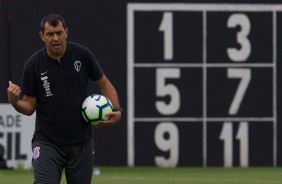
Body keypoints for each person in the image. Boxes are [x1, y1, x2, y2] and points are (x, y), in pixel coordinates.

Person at [7, 14, 122, 184]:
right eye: (50, 34)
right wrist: (15, 102)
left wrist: (117, 110)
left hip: (81, 143)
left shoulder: (82, 55)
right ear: (42, 36)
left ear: (66, 32)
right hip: (47, 143)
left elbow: (104, 84)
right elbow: (29, 106)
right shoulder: (33, 64)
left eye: (59, 33)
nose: (55, 38)